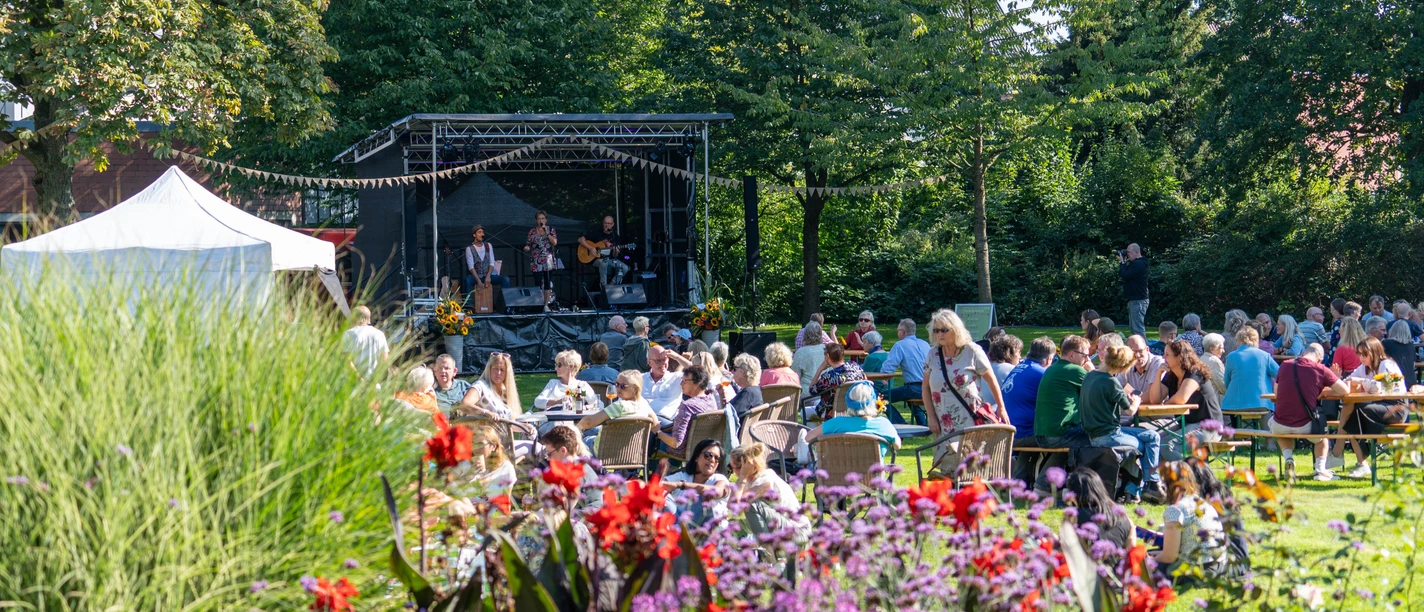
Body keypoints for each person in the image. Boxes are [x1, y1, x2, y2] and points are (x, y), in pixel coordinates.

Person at [1080, 345, 1164, 504]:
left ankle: (1141, 487)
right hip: (1109, 435)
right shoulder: (1111, 382)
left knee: (1152, 436)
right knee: (1147, 444)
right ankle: (1149, 486)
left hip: (1094, 433)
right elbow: (1131, 411)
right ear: (1123, 367)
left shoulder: (1090, 376)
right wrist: (1137, 401)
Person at [1330, 337, 1412, 479]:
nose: (1361, 357)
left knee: (1354, 410)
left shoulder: (1386, 364)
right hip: (1380, 407)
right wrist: (1336, 380)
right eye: (1359, 354)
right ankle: (1357, 461)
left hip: (1396, 408)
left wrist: (1361, 382)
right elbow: (1347, 382)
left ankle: (1340, 452)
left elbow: (1386, 389)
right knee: (1350, 408)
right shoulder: (1364, 367)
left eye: (1364, 354)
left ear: (1374, 352)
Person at [923, 309, 1007, 442]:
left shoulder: (972, 351)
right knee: (948, 462)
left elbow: (992, 381)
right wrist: (931, 417)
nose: (939, 334)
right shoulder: (933, 354)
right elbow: (925, 387)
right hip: (943, 422)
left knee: (971, 461)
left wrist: (1001, 408)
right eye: (936, 330)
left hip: (971, 418)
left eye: (944, 330)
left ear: (956, 329)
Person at [1271, 343, 1348, 482]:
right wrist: (1326, 386)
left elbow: (1276, 392)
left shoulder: (1285, 365)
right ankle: (1320, 471)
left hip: (1279, 423)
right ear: (1320, 358)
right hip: (1305, 425)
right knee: (1323, 437)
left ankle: (1288, 458)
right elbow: (1345, 391)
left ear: (1303, 353)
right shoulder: (1320, 369)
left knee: (1283, 431)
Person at [1152, 462, 1229, 579]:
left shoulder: (1175, 510)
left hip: (1197, 570)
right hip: (1219, 567)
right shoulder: (1202, 503)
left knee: (1143, 568)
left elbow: (1169, 557)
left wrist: (1148, 560)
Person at [729, 443, 811, 542]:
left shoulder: (766, 480)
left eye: (733, 467)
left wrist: (742, 477)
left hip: (798, 532)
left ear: (745, 466)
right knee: (733, 525)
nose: (733, 472)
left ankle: (768, 554)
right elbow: (731, 507)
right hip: (780, 527)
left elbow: (734, 504)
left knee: (752, 505)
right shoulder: (749, 481)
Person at [1149, 340, 1223, 445]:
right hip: (1187, 423)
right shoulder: (1171, 375)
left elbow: (1181, 398)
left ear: (1179, 357)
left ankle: (1183, 462)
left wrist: (1165, 404)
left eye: (1167, 355)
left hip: (1209, 426)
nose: (1163, 358)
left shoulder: (1195, 373)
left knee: (1168, 445)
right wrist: (1158, 374)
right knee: (1153, 440)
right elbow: (1154, 399)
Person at [808, 381, 901, 457]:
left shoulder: (836, 423)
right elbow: (897, 446)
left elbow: (808, 437)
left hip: (838, 477)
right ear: (874, 401)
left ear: (848, 402)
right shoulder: (883, 424)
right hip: (873, 477)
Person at [1032, 335, 1093, 450]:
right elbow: (1102, 389)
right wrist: (1092, 370)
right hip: (1060, 434)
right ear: (1072, 355)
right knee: (1101, 437)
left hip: (1041, 434)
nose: (1088, 360)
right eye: (1085, 356)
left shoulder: (1052, 368)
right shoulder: (1075, 370)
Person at [577, 369, 656, 452]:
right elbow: (655, 423)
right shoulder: (644, 404)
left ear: (635, 389)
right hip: (632, 454)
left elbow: (588, 422)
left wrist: (574, 430)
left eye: (623, 386)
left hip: (605, 452)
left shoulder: (620, 406)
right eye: (616, 384)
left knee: (580, 441)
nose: (618, 388)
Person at [1063, 467, 1134, 551]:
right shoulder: (1125, 519)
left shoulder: (1073, 518)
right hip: (1117, 563)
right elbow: (1132, 554)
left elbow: (1066, 551)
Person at [657, 365, 720, 458]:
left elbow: (675, 442)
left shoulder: (687, 406)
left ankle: (644, 471)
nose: (681, 384)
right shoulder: (711, 399)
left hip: (684, 450)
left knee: (651, 433)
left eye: (684, 381)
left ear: (697, 383)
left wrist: (657, 432)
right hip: (703, 447)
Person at [665, 439, 731, 525]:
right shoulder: (684, 476)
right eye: (708, 455)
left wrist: (681, 485)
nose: (712, 460)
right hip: (679, 524)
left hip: (706, 533)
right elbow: (660, 485)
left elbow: (716, 492)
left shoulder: (720, 479)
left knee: (702, 499)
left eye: (717, 458)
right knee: (663, 497)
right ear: (696, 457)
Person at [1001, 336, 1055, 442]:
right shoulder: (1041, 373)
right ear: (1049, 360)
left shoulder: (1018, 367)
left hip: (1006, 432)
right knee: (1067, 438)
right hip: (1023, 433)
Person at [882, 318, 932, 424]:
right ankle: (922, 424)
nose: (897, 333)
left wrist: (884, 377)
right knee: (908, 393)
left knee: (879, 397)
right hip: (930, 388)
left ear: (903, 332)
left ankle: (900, 423)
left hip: (915, 388)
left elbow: (887, 368)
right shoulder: (925, 344)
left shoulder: (900, 345)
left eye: (898, 331)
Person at [451, 424, 518, 498]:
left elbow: (506, 501)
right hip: (464, 508)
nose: (476, 448)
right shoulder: (464, 464)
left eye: (480, 444)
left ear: (493, 446)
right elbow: (448, 488)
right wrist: (469, 475)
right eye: (473, 443)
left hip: (490, 508)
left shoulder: (505, 468)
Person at [1221, 327, 1278, 412]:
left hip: (1234, 403)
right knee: (1266, 419)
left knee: (1234, 420)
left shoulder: (1231, 356)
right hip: (1261, 402)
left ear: (1238, 340)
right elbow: (1280, 375)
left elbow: (1226, 382)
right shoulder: (1265, 356)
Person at [808, 343, 866, 418]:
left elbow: (812, 390)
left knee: (804, 412)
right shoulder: (855, 366)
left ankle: (821, 429)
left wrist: (820, 369)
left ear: (827, 356)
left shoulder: (829, 376)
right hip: (856, 408)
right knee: (816, 402)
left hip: (832, 412)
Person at [538, 425, 598, 495]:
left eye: (549, 454)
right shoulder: (579, 466)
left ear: (563, 451)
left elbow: (568, 505)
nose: (548, 458)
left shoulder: (575, 473)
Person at [535, 350, 600, 412]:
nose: (555, 368)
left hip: (574, 421)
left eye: (559, 365)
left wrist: (584, 407)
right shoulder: (553, 384)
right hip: (553, 421)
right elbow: (537, 402)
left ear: (570, 367)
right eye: (556, 365)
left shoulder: (581, 386)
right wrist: (558, 401)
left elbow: (599, 405)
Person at [464, 352, 521, 419]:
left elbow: (508, 423)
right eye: (495, 368)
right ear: (489, 369)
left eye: (502, 370)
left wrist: (525, 426)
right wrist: (485, 413)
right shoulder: (480, 386)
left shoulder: (506, 393)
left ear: (507, 373)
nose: (498, 373)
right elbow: (464, 405)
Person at [578, 215, 629, 286]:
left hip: (610, 259)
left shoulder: (615, 236)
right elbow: (580, 239)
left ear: (612, 224)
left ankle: (612, 285)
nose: (606, 225)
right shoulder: (597, 233)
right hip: (596, 258)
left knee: (625, 268)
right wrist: (590, 248)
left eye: (608, 223)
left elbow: (614, 256)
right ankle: (603, 285)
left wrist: (616, 251)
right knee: (604, 262)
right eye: (605, 223)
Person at [523, 210, 559, 309]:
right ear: (536, 220)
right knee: (538, 282)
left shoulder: (551, 230)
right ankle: (539, 303)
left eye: (543, 218)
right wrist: (527, 247)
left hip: (548, 260)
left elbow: (554, 243)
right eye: (539, 218)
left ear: (546, 220)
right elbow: (528, 243)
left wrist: (547, 233)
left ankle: (546, 305)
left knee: (547, 282)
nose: (541, 220)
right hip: (536, 260)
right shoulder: (532, 231)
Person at [642, 345, 685, 427]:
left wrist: (677, 357)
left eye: (664, 359)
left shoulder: (676, 378)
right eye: (658, 361)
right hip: (642, 421)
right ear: (649, 362)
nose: (662, 364)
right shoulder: (640, 379)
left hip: (666, 424)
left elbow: (699, 374)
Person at [342, 305, 389, 378]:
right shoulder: (380, 334)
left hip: (352, 382)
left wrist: (358, 378)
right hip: (373, 383)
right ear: (368, 319)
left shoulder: (348, 334)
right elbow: (384, 359)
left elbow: (346, 360)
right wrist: (374, 379)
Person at [464, 225, 510, 294]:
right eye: (479, 232)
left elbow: (492, 262)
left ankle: (504, 303)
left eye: (482, 232)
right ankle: (469, 304)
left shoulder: (488, 245)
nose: (482, 234)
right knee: (467, 280)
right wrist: (478, 281)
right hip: (476, 276)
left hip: (488, 275)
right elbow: (471, 267)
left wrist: (488, 276)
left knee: (506, 279)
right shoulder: (469, 249)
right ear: (474, 235)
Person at [1118, 335, 1165, 400]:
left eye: (1140, 351)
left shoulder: (1158, 363)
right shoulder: (1126, 364)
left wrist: (1130, 399)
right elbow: (1116, 390)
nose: (1137, 355)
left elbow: (1151, 397)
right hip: (1133, 408)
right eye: (1133, 352)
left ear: (1147, 349)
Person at [1118, 243, 1150, 337]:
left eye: (1129, 252)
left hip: (1138, 301)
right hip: (1136, 300)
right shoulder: (1137, 263)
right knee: (1133, 328)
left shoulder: (1138, 264)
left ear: (1136, 252)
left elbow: (1125, 275)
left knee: (1138, 330)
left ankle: (1143, 349)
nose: (1127, 254)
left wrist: (1122, 263)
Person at [791, 321, 830, 397]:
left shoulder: (800, 352)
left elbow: (795, 376)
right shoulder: (827, 350)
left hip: (807, 393)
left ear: (805, 335)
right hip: (826, 391)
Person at [1383, 320, 1418, 388]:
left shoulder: (1386, 343)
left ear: (1392, 330)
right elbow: (1413, 364)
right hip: (1411, 381)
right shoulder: (1411, 346)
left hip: (1395, 379)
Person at [728, 353, 764, 418]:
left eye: (735, 369)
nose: (732, 372)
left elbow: (728, 416)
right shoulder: (756, 390)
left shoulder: (747, 393)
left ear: (744, 372)